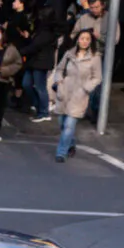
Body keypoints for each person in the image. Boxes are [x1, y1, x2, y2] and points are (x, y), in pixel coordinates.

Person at [48, 29, 101, 163]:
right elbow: (59, 69)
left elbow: (97, 77)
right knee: (62, 123)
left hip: (80, 95)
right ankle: (71, 144)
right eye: (82, 38)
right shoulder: (69, 53)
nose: (84, 41)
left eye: (87, 39)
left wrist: (85, 88)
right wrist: (59, 81)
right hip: (64, 91)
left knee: (69, 126)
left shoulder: (95, 57)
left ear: (91, 41)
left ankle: (61, 152)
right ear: (77, 39)